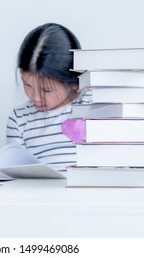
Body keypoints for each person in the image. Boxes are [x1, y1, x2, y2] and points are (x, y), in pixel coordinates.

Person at [6, 23, 89, 171]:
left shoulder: (96, 105)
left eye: (46, 90)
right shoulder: (19, 119)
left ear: (74, 82)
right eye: (27, 85)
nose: (36, 97)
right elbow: (16, 173)